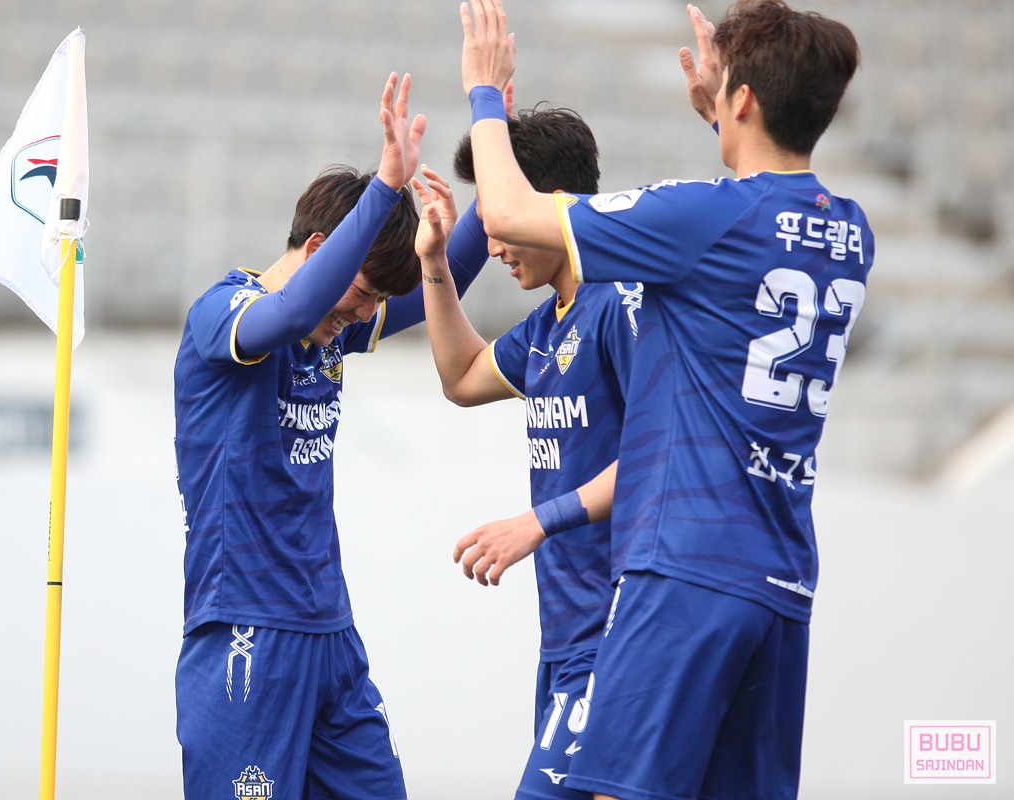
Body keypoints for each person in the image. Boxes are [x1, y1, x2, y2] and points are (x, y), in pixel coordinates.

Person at [457, 2, 870, 799]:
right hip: (782, 579)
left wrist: (484, 91)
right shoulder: (850, 231)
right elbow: (757, 212)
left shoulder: (703, 215)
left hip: (684, 565)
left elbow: (508, 212)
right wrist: (726, 117)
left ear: (741, 99)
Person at [172, 72, 490, 800]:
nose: (365, 315)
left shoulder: (332, 329)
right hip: (245, 629)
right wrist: (385, 186)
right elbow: (287, 314)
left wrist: (497, 146)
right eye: (362, 293)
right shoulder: (224, 314)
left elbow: (443, 282)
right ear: (318, 249)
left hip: (330, 634)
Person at [416, 101, 636, 800]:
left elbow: (663, 453)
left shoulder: (621, 303)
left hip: (620, 629)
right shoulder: (548, 327)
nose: (493, 244)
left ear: (551, 206)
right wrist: (434, 265)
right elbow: (461, 377)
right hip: (565, 636)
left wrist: (539, 521)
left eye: (501, 220)